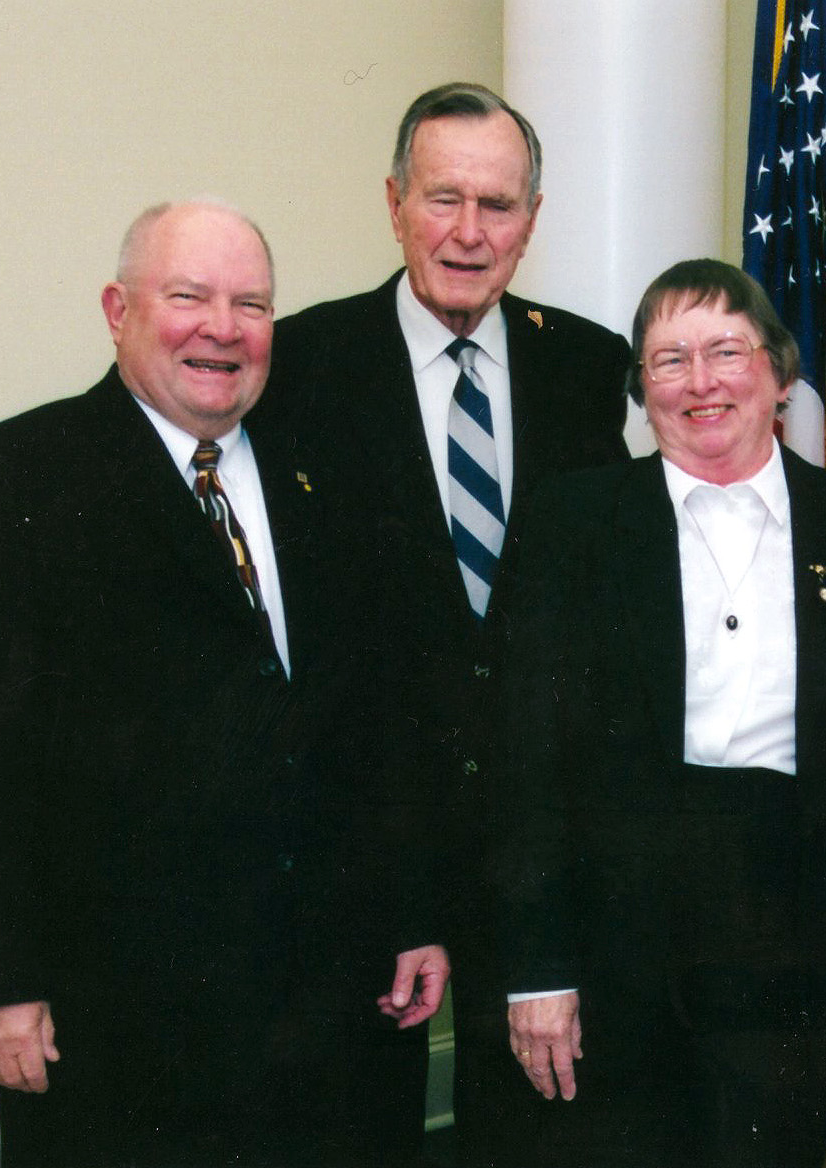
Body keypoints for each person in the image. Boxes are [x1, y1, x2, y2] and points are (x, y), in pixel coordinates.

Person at [0, 200, 447, 1168]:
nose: (223, 328)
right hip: (123, 1026)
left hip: (333, 1007)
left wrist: (413, 914)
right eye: (188, 296)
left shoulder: (334, 469)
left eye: (252, 304)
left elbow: (378, 716)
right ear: (118, 309)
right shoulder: (7, 480)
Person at [258, 82, 631, 1164]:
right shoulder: (299, 365)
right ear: (393, 203)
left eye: (499, 204)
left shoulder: (586, 362)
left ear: (533, 218)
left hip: (534, 841)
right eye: (444, 198)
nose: (471, 232)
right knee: (360, 1131)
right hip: (367, 844)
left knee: (534, 1130)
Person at [492, 259, 826, 1166]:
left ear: (780, 375)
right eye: (668, 360)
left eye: (726, 350)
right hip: (613, 943)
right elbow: (525, 757)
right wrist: (538, 968)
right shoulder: (570, 523)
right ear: (642, 390)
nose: (700, 381)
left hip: (792, 940)